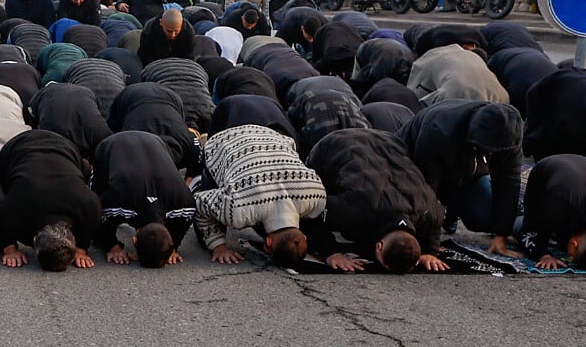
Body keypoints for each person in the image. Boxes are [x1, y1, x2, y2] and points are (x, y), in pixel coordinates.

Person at [305, 129, 447, 273]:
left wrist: (430, 252)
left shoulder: (426, 211)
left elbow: (438, 218)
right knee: (309, 191)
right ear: (378, 246)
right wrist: (331, 253)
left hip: (388, 139)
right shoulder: (354, 212)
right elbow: (311, 209)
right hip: (335, 143)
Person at [397, 100, 524, 253]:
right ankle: (446, 211)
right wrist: (428, 245)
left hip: (465, 172)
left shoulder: (510, 136)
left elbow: (509, 182)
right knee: (408, 213)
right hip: (414, 168)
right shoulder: (438, 129)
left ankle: (452, 209)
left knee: (482, 219)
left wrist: (501, 235)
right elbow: (426, 189)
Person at [193, 124, 327, 267]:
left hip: (273, 136)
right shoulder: (237, 209)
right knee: (206, 232)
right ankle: (198, 171)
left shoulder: (317, 197)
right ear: (268, 242)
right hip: (223, 141)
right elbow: (199, 202)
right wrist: (218, 246)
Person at [0, 128, 100, 271]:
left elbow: (88, 229)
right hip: (15, 148)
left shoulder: (89, 205)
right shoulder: (16, 203)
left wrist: (82, 248)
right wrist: (9, 248)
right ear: (34, 239)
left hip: (63, 147)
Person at [92, 130, 195, 267]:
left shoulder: (185, 204)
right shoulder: (118, 199)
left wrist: (172, 248)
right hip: (111, 145)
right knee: (95, 194)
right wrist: (112, 246)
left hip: (155, 141)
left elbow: (176, 234)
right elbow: (95, 215)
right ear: (134, 240)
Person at [513, 154, 586, 272]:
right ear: (573, 244)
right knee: (521, 226)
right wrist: (543, 254)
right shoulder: (555, 208)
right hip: (547, 168)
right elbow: (530, 232)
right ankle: (518, 215)